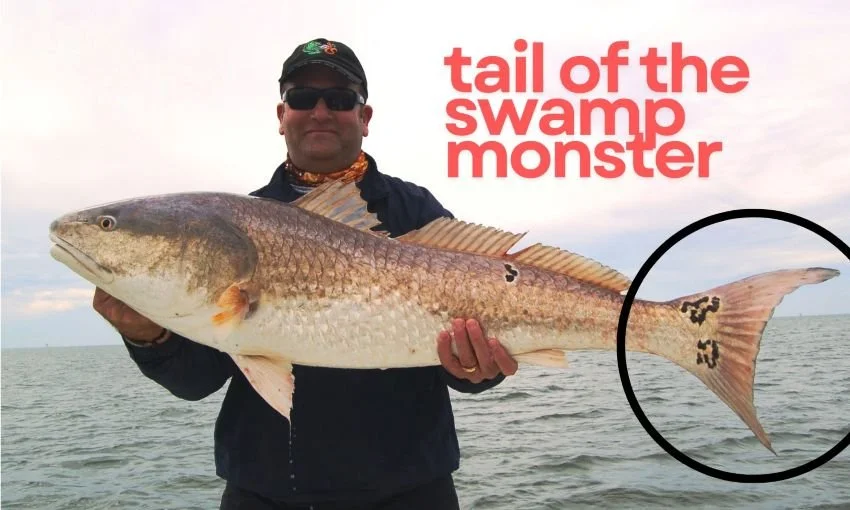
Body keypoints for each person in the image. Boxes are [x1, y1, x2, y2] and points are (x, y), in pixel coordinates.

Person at [93, 38, 518, 509]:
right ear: (281, 116)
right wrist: (148, 337)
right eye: (301, 97)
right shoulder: (237, 228)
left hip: (411, 491)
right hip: (266, 494)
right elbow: (196, 381)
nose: (320, 111)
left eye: (339, 100)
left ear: (365, 117)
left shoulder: (415, 210)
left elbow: (470, 351)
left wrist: (479, 368)